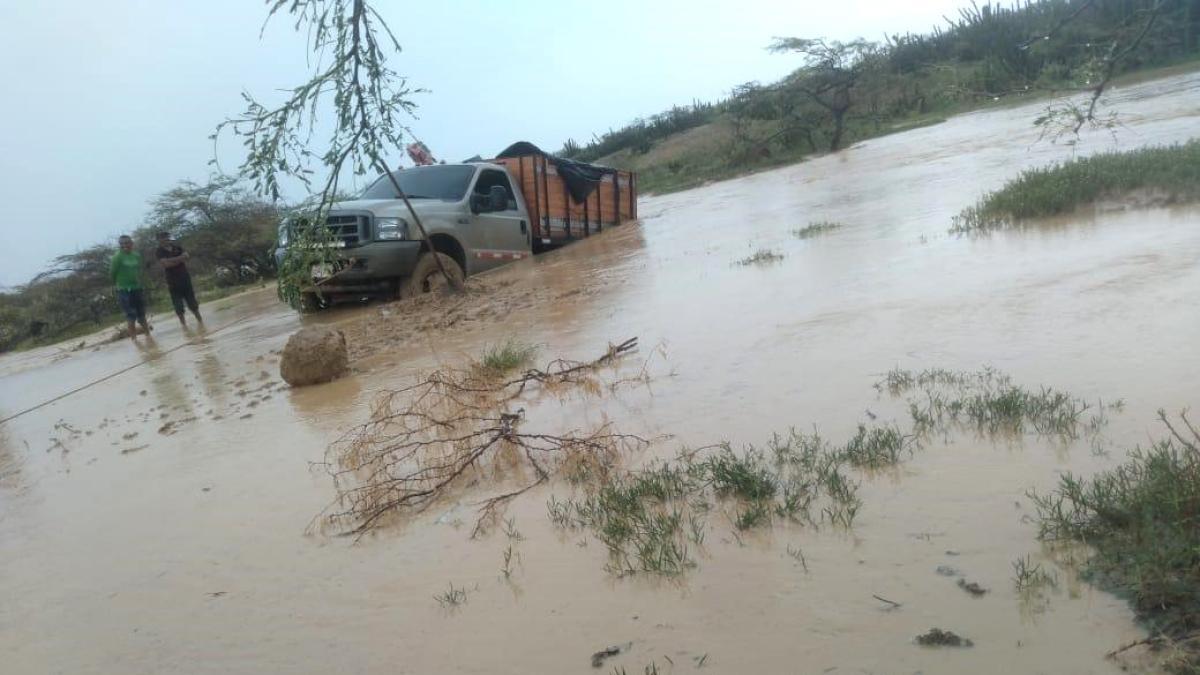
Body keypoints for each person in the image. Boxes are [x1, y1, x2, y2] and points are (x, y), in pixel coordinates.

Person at [155, 231, 203, 327]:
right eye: (163, 238)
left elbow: (187, 256)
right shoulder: (159, 251)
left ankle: (200, 322)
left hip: (185, 277)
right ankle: (184, 326)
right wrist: (180, 259)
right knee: (178, 305)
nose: (166, 240)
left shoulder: (177, 247)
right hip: (172, 281)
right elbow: (166, 264)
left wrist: (171, 260)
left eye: (167, 237)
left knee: (192, 302)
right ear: (159, 240)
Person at [110, 235, 152, 339]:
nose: (125, 246)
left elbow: (139, 270)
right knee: (131, 315)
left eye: (127, 243)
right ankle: (134, 340)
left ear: (131, 244)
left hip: (137, 288)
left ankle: (149, 336)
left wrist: (143, 283)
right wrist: (116, 286)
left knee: (141, 313)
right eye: (122, 244)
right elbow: (112, 273)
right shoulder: (117, 257)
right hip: (124, 290)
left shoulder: (136, 255)